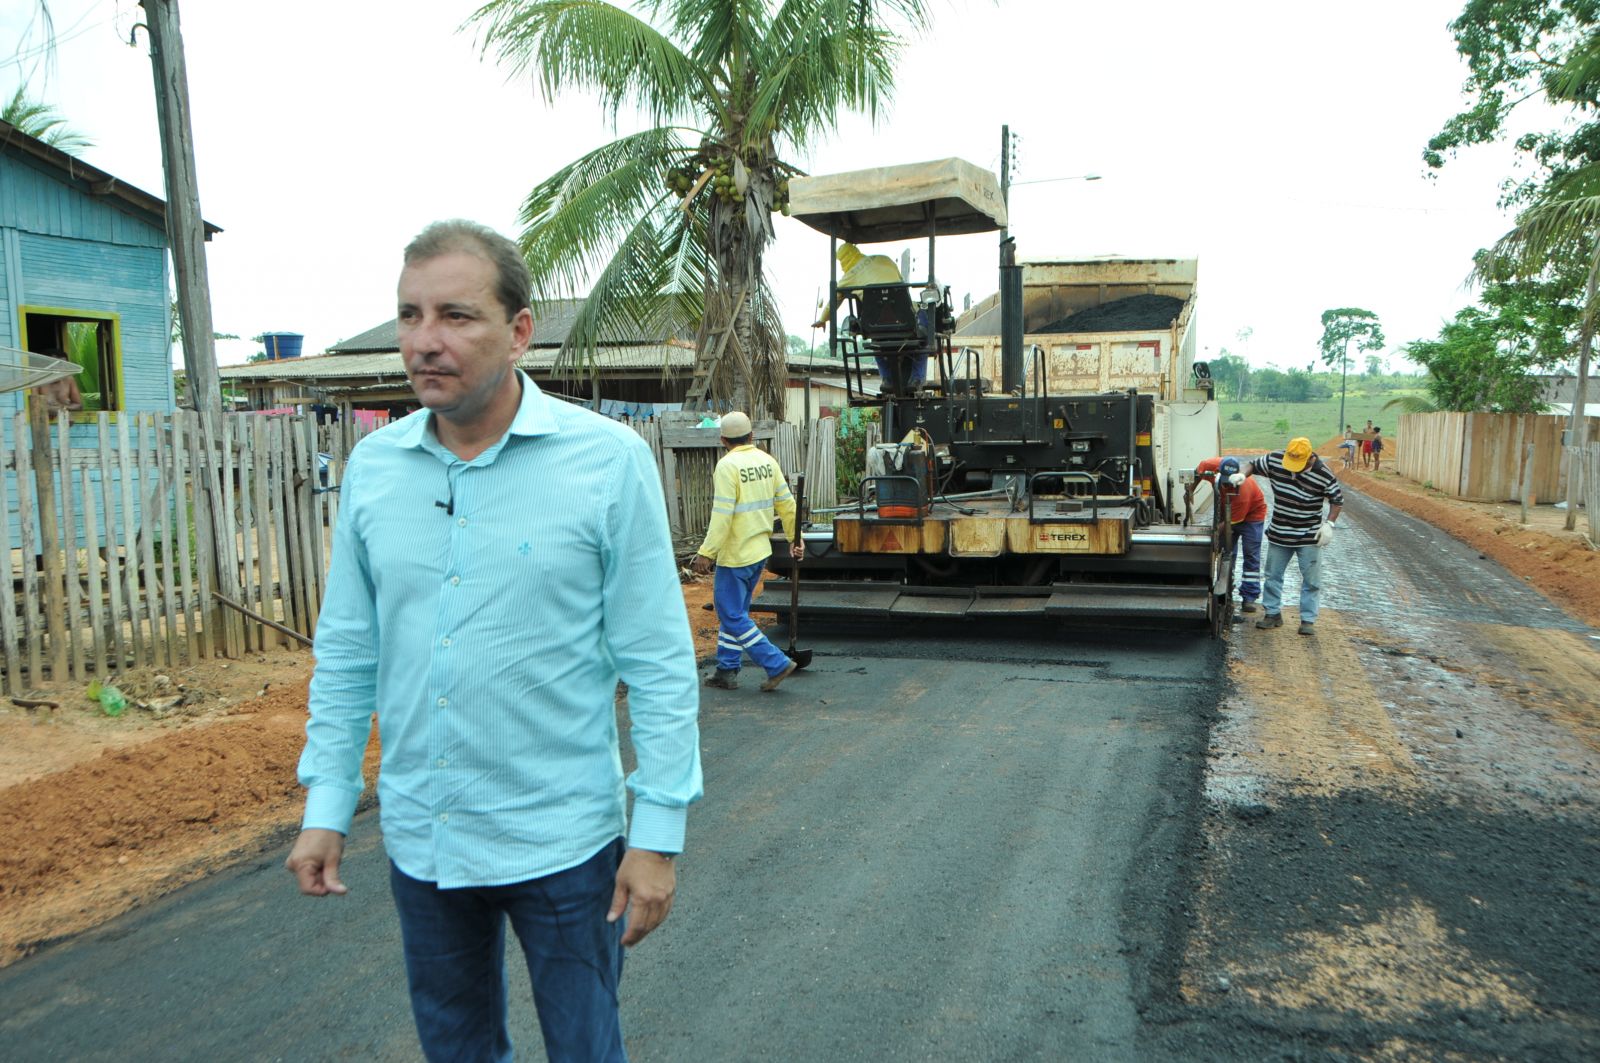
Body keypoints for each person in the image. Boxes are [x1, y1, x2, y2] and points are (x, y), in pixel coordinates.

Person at [286, 220, 702, 1063]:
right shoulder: (375, 469)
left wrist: (657, 833)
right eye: (409, 316)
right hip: (425, 836)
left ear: (518, 332)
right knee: (457, 1049)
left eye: (455, 316)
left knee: (586, 1049)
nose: (424, 342)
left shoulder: (606, 461)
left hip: (563, 842)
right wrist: (326, 804)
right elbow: (348, 652)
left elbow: (657, 657)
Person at [692, 412, 805, 691]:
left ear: (723, 440)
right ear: (751, 436)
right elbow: (788, 505)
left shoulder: (727, 466)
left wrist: (707, 552)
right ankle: (726, 670)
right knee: (737, 613)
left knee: (730, 614)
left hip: (735, 556)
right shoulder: (767, 461)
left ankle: (775, 663)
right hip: (759, 553)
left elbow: (722, 514)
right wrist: (795, 539)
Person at [1242, 436, 1343, 636]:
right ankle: (1272, 614)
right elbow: (1252, 465)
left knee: (1311, 579)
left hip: (1308, 535)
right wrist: (1241, 475)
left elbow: (1337, 500)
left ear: (1310, 458)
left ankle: (1307, 620)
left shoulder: (1324, 475)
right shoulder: (1276, 459)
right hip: (1280, 533)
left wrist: (1329, 523)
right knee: (1272, 575)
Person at [812, 243, 929, 393]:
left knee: (876, 340)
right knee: (924, 337)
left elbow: (834, 301)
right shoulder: (884, 259)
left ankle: (887, 379)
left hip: (876, 325)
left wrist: (823, 319)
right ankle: (917, 378)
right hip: (905, 320)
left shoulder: (847, 278)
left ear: (843, 260)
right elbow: (901, 287)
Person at [1196, 455, 1267, 615]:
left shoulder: (1243, 490)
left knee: (1251, 554)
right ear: (1218, 472)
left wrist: (1212, 534)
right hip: (1227, 511)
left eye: (1230, 483)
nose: (1227, 485)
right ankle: (1226, 586)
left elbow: (1228, 524)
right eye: (1225, 481)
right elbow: (1197, 473)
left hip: (1252, 516)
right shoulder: (1209, 466)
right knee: (1225, 552)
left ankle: (1249, 597)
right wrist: (1190, 492)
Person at [32, 347, 83, 414]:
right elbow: (34, 406)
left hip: (64, 422)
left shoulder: (69, 379)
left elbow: (78, 405)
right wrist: (52, 409)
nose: (61, 369)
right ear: (46, 365)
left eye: (64, 365)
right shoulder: (36, 381)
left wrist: (62, 408)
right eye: (57, 365)